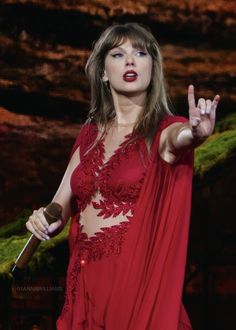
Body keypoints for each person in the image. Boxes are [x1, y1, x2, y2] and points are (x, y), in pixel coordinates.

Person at [26, 22, 220, 329]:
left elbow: (179, 139)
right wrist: (42, 218)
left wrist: (195, 134)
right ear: (103, 72)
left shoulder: (164, 130)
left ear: (152, 68)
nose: (130, 60)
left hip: (133, 285)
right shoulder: (89, 135)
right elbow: (60, 205)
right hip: (83, 282)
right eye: (118, 54)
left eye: (140, 53)